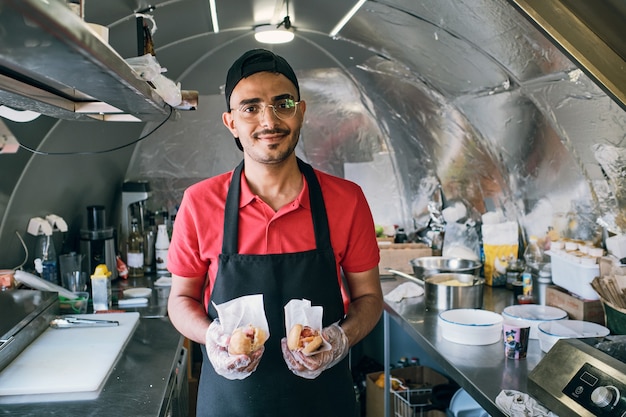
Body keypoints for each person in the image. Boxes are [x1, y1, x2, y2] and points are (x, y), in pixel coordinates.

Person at [167, 48, 383, 417]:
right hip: (231, 404)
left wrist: (340, 338)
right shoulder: (199, 202)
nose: (269, 120)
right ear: (231, 122)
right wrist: (214, 338)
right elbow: (180, 300)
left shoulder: (346, 200)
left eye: (282, 103)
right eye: (250, 107)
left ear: (300, 111)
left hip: (323, 402)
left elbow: (370, 298)